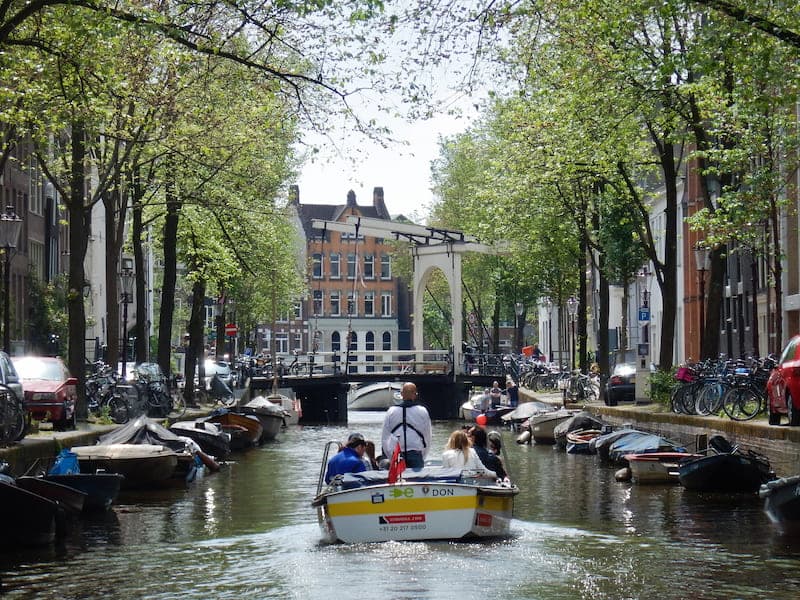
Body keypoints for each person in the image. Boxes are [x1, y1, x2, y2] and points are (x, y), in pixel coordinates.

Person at [381, 382, 432, 469]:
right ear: (415, 395)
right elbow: (427, 436)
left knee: (397, 481)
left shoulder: (391, 411)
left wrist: (390, 455)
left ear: (401, 394)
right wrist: (423, 455)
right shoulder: (422, 411)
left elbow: (385, 437)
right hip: (415, 453)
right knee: (416, 481)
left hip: (397, 453)